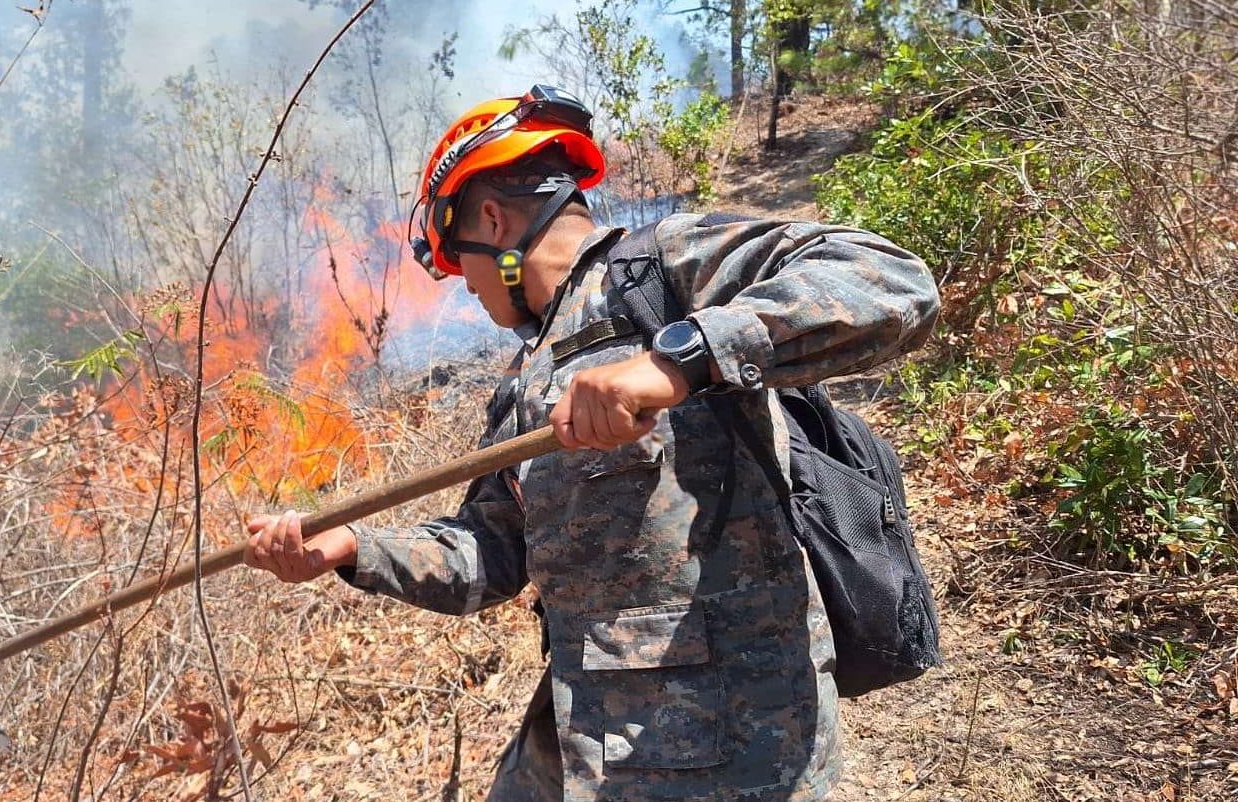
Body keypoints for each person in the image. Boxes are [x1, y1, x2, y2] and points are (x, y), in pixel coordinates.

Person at [244, 85, 940, 801]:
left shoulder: (661, 270)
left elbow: (891, 281)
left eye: (462, 264)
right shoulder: (525, 380)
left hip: (735, 750)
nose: (467, 291)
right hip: (583, 742)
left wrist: (679, 360)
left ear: (491, 219)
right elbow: (490, 555)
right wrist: (354, 549)